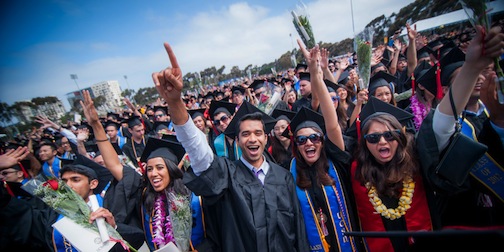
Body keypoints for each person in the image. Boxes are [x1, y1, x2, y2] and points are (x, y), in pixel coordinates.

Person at [152, 42, 309, 251]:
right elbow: (198, 150)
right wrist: (175, 103)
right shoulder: (226, 175)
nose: (252, 139)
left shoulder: (284, 178)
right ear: (237, 140)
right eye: (245, 134)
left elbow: (298, 232)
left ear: (266, 137)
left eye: (257, 133)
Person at [79, 90, 207, 250]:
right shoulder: (145, 196)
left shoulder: (196, 195)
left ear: (172, 169)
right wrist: (96, 125)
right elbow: (115, 165)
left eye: (160, 168)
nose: (153, 173)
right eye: (150, 169)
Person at [416, 25, 504, 249]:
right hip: (471, 227)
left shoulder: (493, 114)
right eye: (462, 78)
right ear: (447, 90)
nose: (479, 79)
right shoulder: (448, 125)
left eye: (483, 74)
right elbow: (442, 123)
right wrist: (471, 68)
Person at [289, 45, 361, 252]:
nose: (309, 143)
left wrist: (316, 77)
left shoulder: (335, 158)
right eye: (302, 140)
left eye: (314, 138)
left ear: (322, 140)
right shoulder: (291, 172)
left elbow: (332, 124)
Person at [0, 157, 145, 251]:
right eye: (64, 181)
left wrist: (113, 228)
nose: (68, 186)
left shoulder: (109, 206)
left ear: (93, 183)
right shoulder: (54, 214)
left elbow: (137, 238)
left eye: (75, 180)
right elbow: (18, 216)